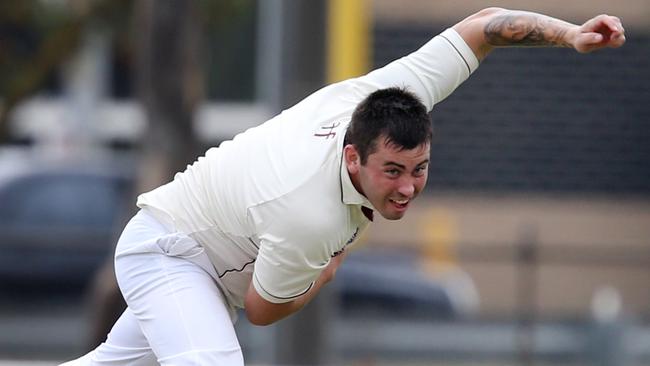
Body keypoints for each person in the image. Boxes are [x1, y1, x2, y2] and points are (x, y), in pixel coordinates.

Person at [61, 7, 625, 366]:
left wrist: (570, 34)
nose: (407, 188)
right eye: (393, 173)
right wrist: (326, 271)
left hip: (204, 264)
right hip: (170, 251)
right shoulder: (312, 215)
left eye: (419, 169)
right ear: (352, 157)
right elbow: (261, 309)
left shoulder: (389, 94)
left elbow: (484, 26)